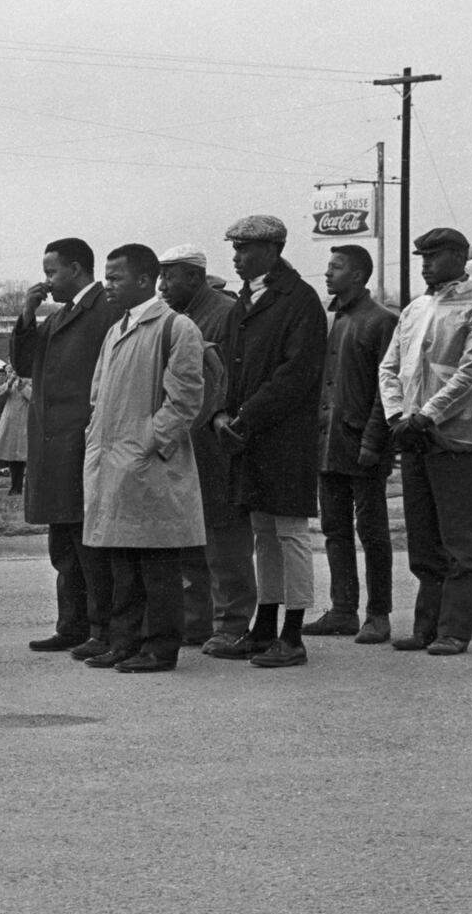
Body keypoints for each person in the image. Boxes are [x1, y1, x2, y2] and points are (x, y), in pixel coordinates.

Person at [204, 215, 327, 669]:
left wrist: (245, 417)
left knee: (290, 532)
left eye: (245, 248)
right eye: (235, 248)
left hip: (285, 437)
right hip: (248, 436)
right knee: (263, 533)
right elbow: (231, 369)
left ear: (273, 249)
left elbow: (296, 374)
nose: (236, 256)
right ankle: (264, 626)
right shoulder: (244, 303)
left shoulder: (300, 300)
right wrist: (220, 413)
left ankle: (292, 634)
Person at [80, 244, 206, 672]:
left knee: (157, 562)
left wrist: (146, 444)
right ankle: (125, 642)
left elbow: (186, 399)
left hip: (147, 464)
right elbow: (99, 394)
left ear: (143, 280)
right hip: (113, 463)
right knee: (123, 562)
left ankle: (160, 647)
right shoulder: (117, 329)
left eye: (115, 278)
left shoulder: (175, 327)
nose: (107, 285)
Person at [10, 237, 125, 655]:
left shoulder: (106, 310)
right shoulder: (61, 316)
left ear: (75, 269)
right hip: (55, 443)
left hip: (83, 440)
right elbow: (25, 364)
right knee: (65, 542)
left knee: (89, 542)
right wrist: (27, 315)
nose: (46, 281)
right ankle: (72, 624)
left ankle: (102, 628)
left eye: (51, 272)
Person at [379, 227, 472, 655]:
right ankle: (426, 627)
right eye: (421, 257)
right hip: (413, 436)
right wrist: (398, 415)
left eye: (434, 256)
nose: (425, 264)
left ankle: (455, 630)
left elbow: (471, 373)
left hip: (455, 438)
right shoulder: (415, 308)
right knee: (422, 540)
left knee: (459, 540)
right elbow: (389, 367)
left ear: (458, 256)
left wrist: (427, 415)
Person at [302, 244, 397, 644]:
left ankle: (379, 613)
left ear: (358, 275)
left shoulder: (381, 321)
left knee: (372, 531)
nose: (327, 274)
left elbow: (387, 388)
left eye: (336, 267)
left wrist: (374, 441)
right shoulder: (333, 319)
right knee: (334, 529)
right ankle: (343, 610)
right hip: (330, 443)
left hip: (363, 444)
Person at [157, 244, 247, 649]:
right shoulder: (179, 318)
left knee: (222, 537)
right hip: (186, 442)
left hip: (214, 444)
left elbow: (227, 382)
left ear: (194, 276)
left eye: (169, 276)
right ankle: (197, 620)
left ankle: (231, 622)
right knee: (190, 535)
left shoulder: (225, 314)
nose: (162, 285)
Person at [0, 370, 31, 496]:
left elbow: (33, 397)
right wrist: (9, 382)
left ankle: (19, 486)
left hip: (24, 421)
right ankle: (14, 486)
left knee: (22, 456)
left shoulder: (29, 380)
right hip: (10, 422)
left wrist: (23, 387)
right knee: (12, 455)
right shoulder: (10, 382)